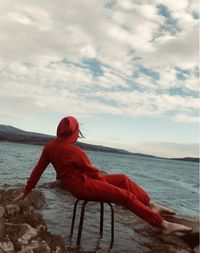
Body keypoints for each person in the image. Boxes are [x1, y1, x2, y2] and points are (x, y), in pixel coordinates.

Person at [14, 116, 192, 235]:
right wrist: (111, 189)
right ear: (75, 133)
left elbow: (38, 170)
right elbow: (94, 174)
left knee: (122, 178)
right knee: (125, 196)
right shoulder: (75, 151)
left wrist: (26, 190)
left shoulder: (49, 147)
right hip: (83, 187)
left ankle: (151, 204)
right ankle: (162, 225)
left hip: (83, 183)